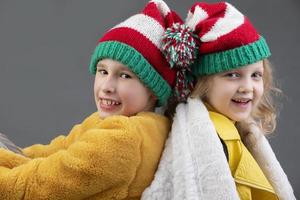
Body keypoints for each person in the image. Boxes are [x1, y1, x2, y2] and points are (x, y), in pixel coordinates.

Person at [0, 0, 184, 199]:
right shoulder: (138, 125)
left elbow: (36, 188)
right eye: (102, 71)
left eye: (125, 76)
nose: (107, 86)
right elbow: (53, 152)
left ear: (154, 89)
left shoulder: (123, 138)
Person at [142, 2, 296, 200]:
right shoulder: (216, 138)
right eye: (232, 75)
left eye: (256, 75)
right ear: (202, 82)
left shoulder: (235, 130)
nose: (247, 87)